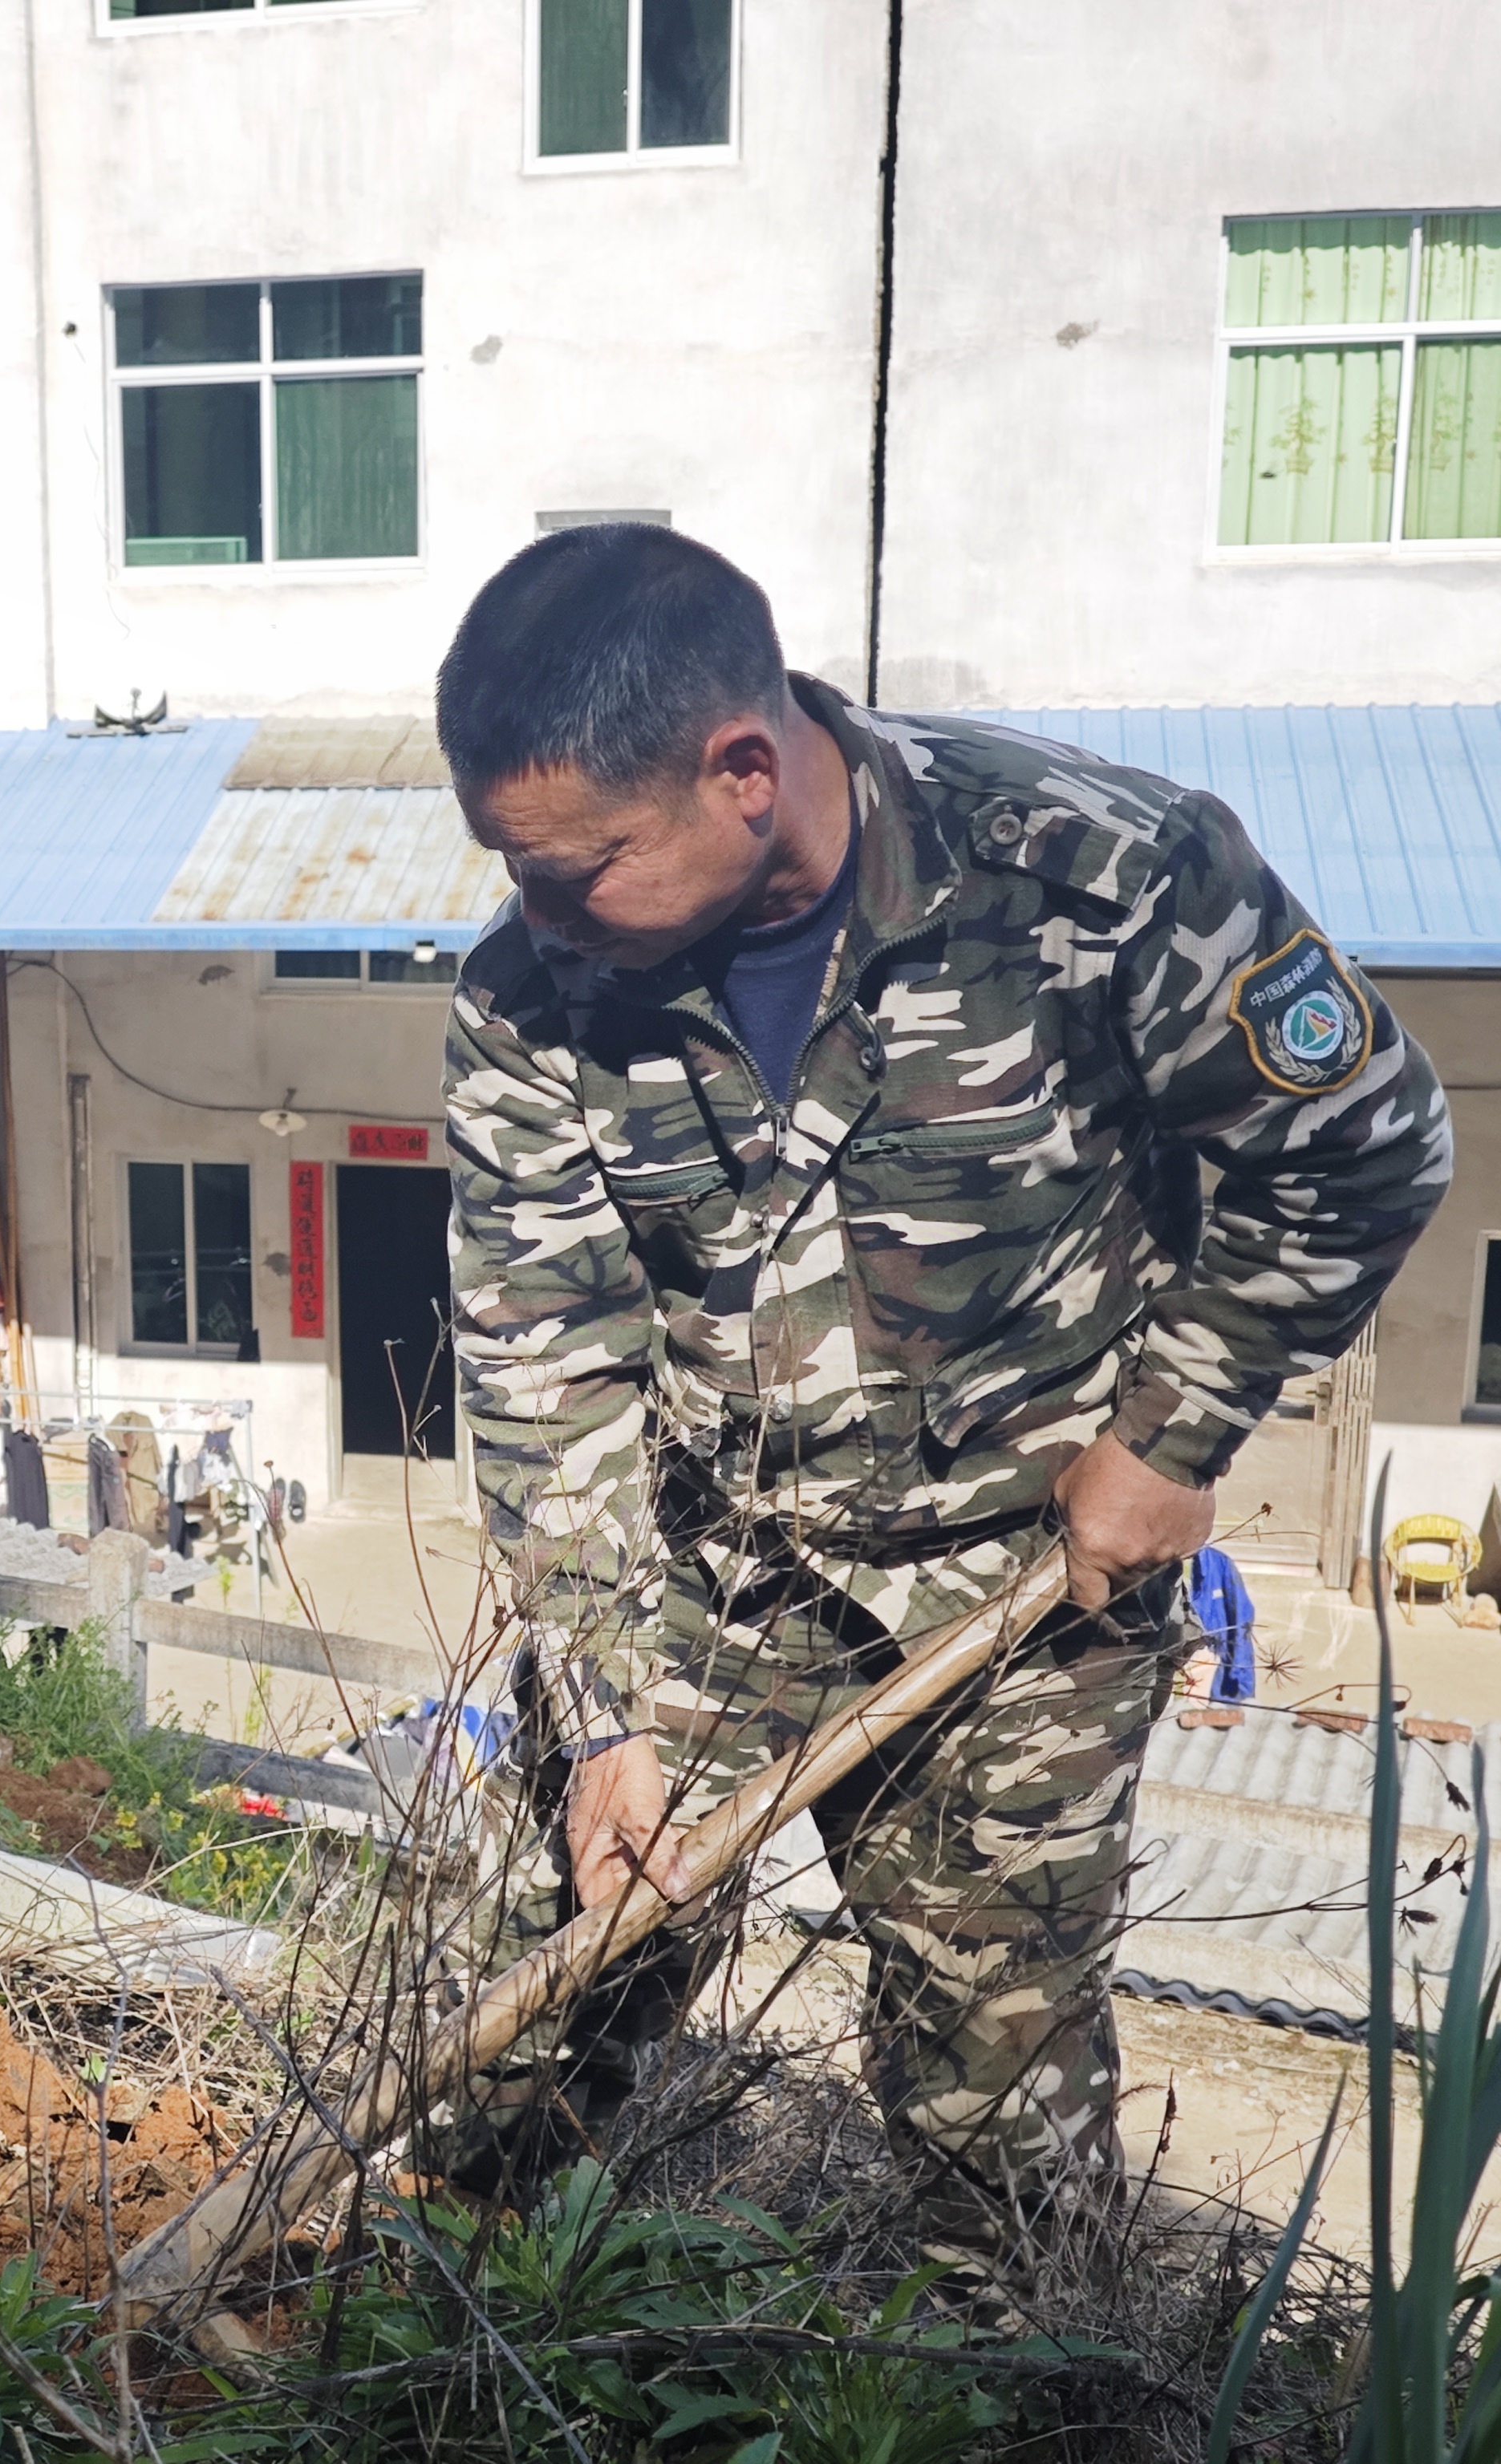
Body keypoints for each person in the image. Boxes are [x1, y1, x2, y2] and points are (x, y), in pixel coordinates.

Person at [438, 525, 1449, 2276]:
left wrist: (1172, 1436)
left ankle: (997, 2400)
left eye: (572, 866)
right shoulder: (536, 999)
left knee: (994, 2120)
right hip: (703, 1570)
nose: (532, 917)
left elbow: (1361, 1145)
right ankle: (416, 2346)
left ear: (738, 772)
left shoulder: (1097, 878)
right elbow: (544, 1352)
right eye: (510, 869)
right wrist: (597, 1705)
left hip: (1022, 1595)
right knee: (537, 2015)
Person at [1180, 1543, 1259, 1703]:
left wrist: (1238, 1676)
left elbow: (1241, 1623)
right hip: (1169, 1663)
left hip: (1205, 1660)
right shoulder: (1153, 1561)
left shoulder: (1218, 1564)